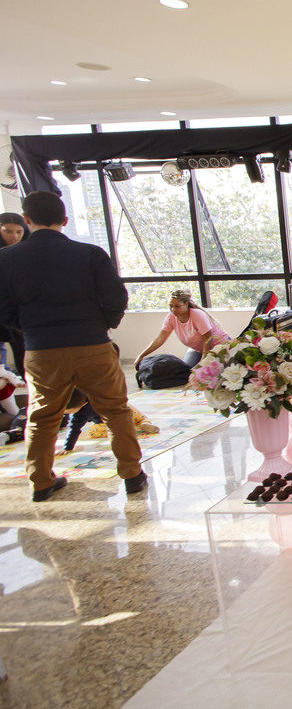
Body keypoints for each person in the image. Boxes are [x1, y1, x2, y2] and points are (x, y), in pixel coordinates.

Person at [0, 191, 146, 501]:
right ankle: (132, 475)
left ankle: (41, 482)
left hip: (42, 349)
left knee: (42, 417)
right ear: (65, 220)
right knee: (115, 411)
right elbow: (117, 297)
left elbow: (3, 309)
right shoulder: (90, 254)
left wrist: (30, 328)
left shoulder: (6, 259)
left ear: (26, 219)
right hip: (92, 344)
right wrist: (102, 324)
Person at [135, 289, 231, 369]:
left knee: (208, 373)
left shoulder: (197, 315)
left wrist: (202, 364)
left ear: (186, 304)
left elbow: (208, 341)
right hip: (198, 350)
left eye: (177, 306)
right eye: (171, 306)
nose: (173, 310)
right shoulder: (171, 318)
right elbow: (160, 339)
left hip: (219, 346)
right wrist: (141, 355)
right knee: (186, 371)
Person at [0, 212, 29, 376]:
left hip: (19, 310)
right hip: (3, 307)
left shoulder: (28, 250)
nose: (14, 236)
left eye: (19, 232)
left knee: (22, 350)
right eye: (8, 231)